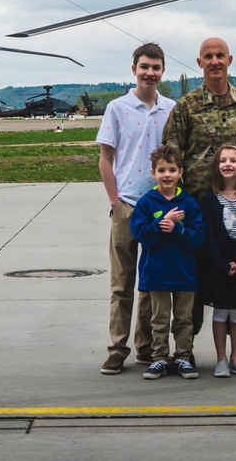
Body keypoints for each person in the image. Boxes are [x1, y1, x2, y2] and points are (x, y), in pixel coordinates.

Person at [162, 37, 236, 370]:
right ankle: (185, 349)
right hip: (196, 207)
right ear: (199, 62)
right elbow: (172, 153)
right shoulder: (186, 106)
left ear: (230, 60)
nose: (215, 61)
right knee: (194, 281)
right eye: (208, 56)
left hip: (235, 205)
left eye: (220, 55)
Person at [97, 42, 177, 375]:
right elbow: (105, 158)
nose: (150, 72)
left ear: (162, 71)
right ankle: (117, 348)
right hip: (128, 206)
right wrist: (115, 202)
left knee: (153, 282)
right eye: (144, 66)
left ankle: (148, 347)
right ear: (134, 70)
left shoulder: (172, 108)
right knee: (122, 283)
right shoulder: (117, 108)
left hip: (159, 206)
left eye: (156, 67)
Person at [130, 145, 205, 380]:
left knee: (184, 319)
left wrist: (177, 229)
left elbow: (198, 237)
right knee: (159, 319)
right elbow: (141, 236)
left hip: (184, 273)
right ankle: (159, 358)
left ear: (180, 172)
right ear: (153, 174)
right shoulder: (146, 203)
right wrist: (162, 222)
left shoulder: (189, 203)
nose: (167, 175)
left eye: (172, 170)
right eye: (161, 170)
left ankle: (183, 357)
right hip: (157, 273)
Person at [200, 143, 236, 378]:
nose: (228, 164)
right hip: (219, 267)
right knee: (221, 312)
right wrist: (223, 265)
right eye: (223, 160)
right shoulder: (211, 199)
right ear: (217, 166)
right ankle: (221, 359)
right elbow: (209, 235)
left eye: (233, 160)